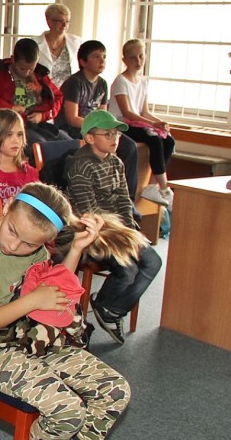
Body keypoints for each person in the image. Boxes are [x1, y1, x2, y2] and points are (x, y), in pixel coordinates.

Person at [0, 182, 131, 440]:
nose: (14, 246)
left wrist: (75, 250)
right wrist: (33, 301)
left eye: (29, 244)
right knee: (68, 410)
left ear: (46, 241)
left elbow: (53, 294)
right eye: (12, 231)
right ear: (8, 205)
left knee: (115, 391)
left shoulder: (36, 248)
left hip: (31, 340)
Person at [65, 110, 162, 344]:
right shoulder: (80, 165)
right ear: (90, 138)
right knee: (128, 272)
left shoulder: (116, 162)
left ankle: (110, 308)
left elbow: (123, 200)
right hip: (91, 231)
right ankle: (109, 307)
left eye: (116, 134)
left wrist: (130, 230)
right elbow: (88, 212)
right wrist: (121, 235)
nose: (115, 138)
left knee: (153, 262)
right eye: (107, 134)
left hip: (117, 228)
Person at [56, 40, 139, 199]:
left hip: (95, 129)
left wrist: (107, 131)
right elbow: (72, 118)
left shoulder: (102, 84)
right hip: (72, 129)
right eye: (96, 57)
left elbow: (104, 115)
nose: (102, 61)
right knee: (98, 144)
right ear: (83, 62)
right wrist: (98, 129)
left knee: (129, 146)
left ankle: (127, 197)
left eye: (104, 57)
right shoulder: (74, 83)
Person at [108, 39, 176, 207]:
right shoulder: (121, 81)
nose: (138, 61)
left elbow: (144, 111)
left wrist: (159, 122)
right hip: (121, 124)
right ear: (124, 60)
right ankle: (165, 188)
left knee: (168, 140)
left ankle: (153, 184)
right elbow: (127, 113)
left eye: (141, 57)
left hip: (137, 122)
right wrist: (152, 125)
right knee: (153, 138)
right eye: (132, 58)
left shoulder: (143, 81)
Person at [0, 38, 71, 151]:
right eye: (22, 68)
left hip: (38, 125)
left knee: (69, 143)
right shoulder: (0, 75)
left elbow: (57, 97)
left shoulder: (40, 75)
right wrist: (10, 108)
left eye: (31, 69)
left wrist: (43, 116)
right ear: (13, 59)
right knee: (42, 148)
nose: (27, 72)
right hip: (11, 128)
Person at [33, 3, 83, 88]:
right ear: (48, 20)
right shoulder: (34, 43)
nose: (64, 25)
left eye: (67, 21)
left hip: (70, 92)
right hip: (42, 92)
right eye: (60, 21)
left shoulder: (77, 42)